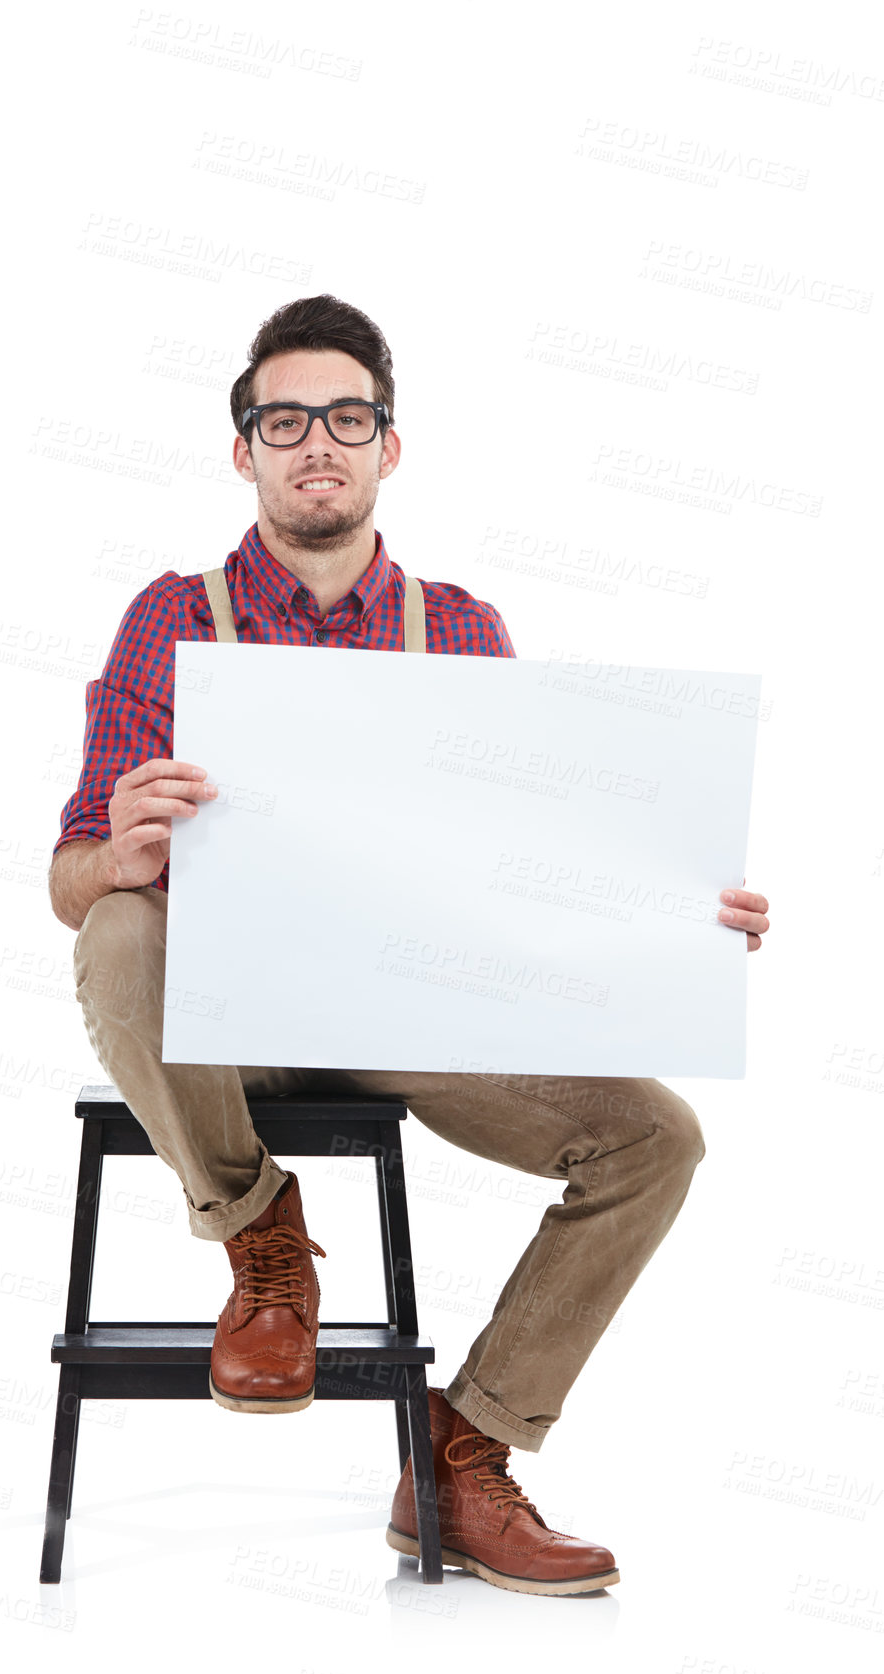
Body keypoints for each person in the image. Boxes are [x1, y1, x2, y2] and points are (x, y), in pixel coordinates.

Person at [48, 293, 771, 1597]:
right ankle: (260, 1242)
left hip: (410, 1014)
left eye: (344, 417)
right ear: (243, 450)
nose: (313, 442)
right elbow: (67, 877)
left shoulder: (462, 631)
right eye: (283, 420)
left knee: (656, 1139)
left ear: (389, 445)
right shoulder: (170, 615)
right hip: (217, 1017)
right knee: (112, 928)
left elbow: (522, 868)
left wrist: (666, 917)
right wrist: (122, 854)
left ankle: (460, 1453)